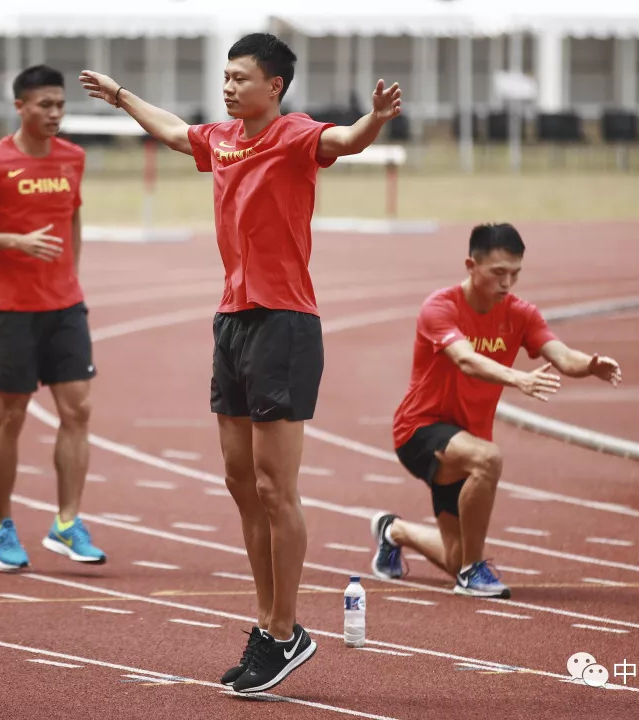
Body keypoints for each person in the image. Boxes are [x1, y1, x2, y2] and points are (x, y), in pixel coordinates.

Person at [79, 33, 402, 693]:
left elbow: (347, 142)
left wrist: (375, 119)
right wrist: (119, 97)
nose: (227, 86)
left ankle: (285, 631)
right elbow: (175, 132)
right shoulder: (223, 137)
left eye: (239, 76)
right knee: (240, 482)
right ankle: (267, 624)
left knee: (277, 488)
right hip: (231, 321)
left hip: (284, 323)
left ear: (274, 85)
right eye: (224, 76)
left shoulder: (294, 134)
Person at [372, 223, 623, 598]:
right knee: (488, 459)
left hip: (467, 436)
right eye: (498, 272)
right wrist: (518, 379)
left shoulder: (520, 315)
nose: (508, 283)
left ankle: (394, 532)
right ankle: (473, 574)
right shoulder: (439, 308)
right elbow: (467, 360)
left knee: (455, 554)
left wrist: (589, 364)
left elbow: (562, 356)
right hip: (419, 429)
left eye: (515, 273)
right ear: (471, 265)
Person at [0, 65, 105, 571]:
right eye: (45, 105)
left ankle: (67, 522)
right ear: (20, 106)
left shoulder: (73, 158)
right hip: (12, 309)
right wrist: (14, 241)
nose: (55, 113)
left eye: (60, 104)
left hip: (64, 305)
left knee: (78, 411)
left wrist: (72, 277)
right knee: (11, 417)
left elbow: (74, 216)